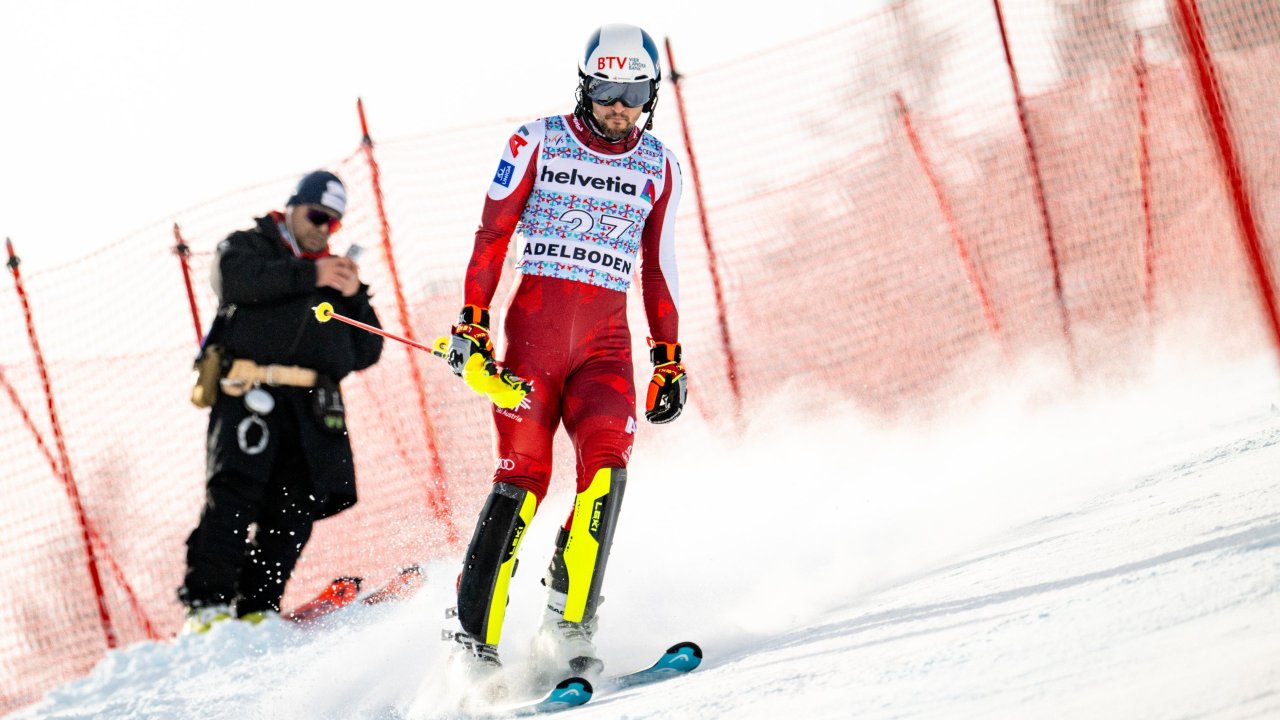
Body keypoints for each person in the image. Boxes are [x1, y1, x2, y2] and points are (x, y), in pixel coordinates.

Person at [440, 23, 688, 695]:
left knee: (607, 472)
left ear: (650, 97)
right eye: (606, 90)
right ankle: (471, 646)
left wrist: (668, 358)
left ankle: (567, 629)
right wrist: (473, 324)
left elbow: (659, 268)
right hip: (532, 345)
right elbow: (492, 237)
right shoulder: (535, 142)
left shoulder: (659, 164)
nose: (618, 106)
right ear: (584, 87)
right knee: (524, 479)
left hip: (605, 349)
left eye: (633, 94)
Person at [177, 170, 384, 634]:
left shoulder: (338, 275)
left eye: (332, 223)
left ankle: (258, 607)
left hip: (310, 407)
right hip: (249, 394)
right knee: (234, 495)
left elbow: (367, 350)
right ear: (293, 207)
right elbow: (233, 279)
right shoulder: (251, 245)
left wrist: (354, 297)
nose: (322, 228)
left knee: (296, 505)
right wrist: (311, 273)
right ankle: (207, 605)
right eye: (316, 215)